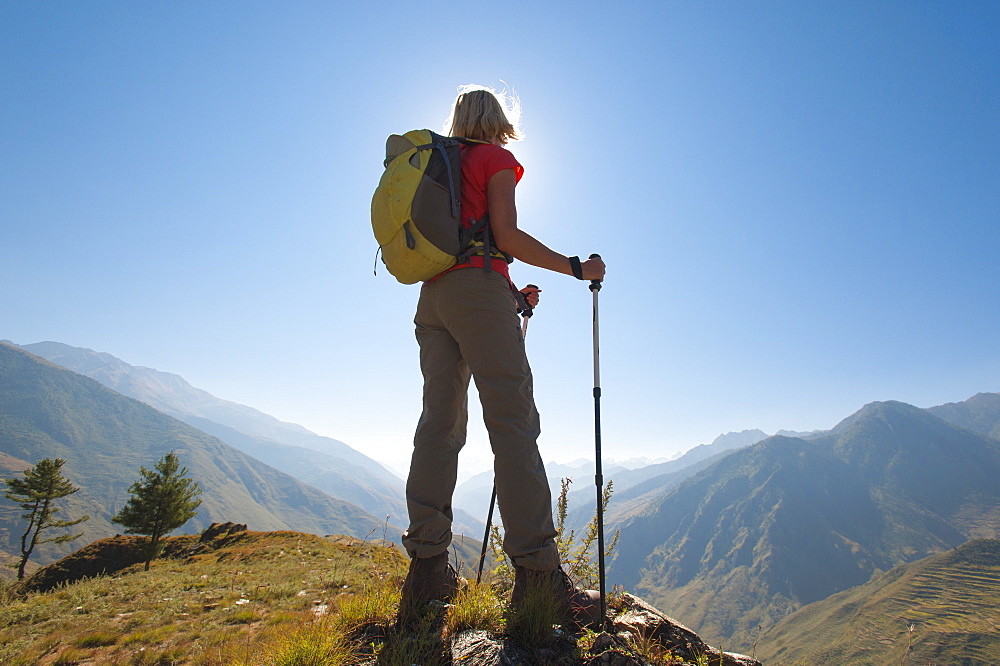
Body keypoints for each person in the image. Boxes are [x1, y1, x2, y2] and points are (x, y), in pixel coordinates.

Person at [398, 86, 606, 625]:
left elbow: (469, 247)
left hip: (433, 297)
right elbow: (506, 237)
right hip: (476, 295)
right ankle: (538, 575)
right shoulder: (495, 159)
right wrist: (576, 267)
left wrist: (512, 297)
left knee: (438, 425)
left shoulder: (439, 163)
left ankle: (426, 571)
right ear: (497, 119)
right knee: (513, 424)